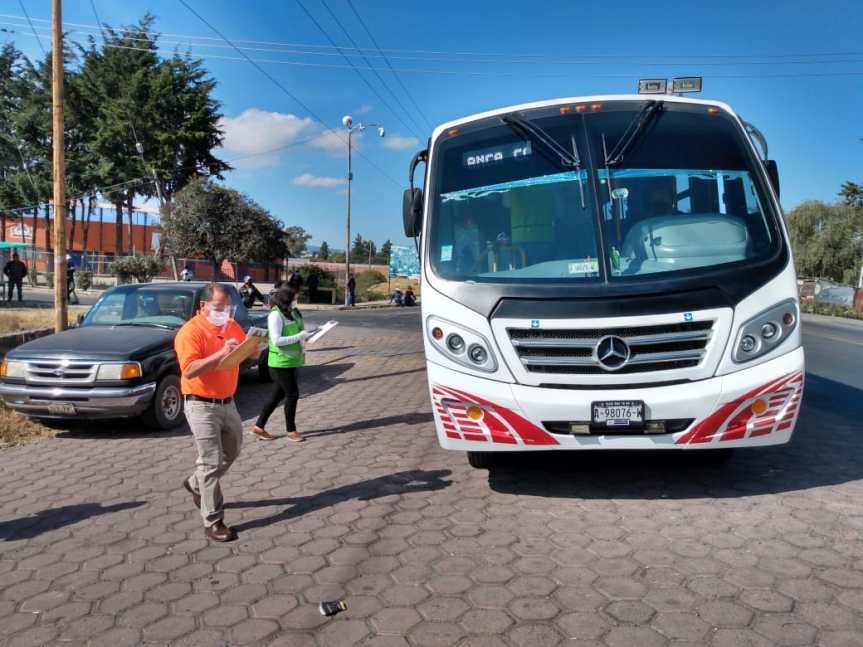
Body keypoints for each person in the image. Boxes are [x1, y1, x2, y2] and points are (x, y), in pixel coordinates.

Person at [175, 283, 248, 542]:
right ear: (203, 307)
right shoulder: (190, 333)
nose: (224, 312)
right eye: (218, 307)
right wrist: (220, 353)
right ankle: (213, 520)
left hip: (228, 402)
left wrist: (254, 348)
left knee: (233, 450)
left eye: (227, 307)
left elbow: (241, 350)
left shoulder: (231, 326)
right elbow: (190, 370)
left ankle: (195, 483)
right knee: (211, 462)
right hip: (200, 404)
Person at [252, 286, 311, 443]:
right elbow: (277, 340)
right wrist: (298, 336)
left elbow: (298, 331)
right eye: (294, 298)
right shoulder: (275, 315)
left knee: (277, 395)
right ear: (287, 299)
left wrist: (307, 336)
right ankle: (291, 431)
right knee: (292, 394)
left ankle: (259, 427)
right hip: (280, 363)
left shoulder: (293, 312)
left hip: (292, 361)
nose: (296, 301)